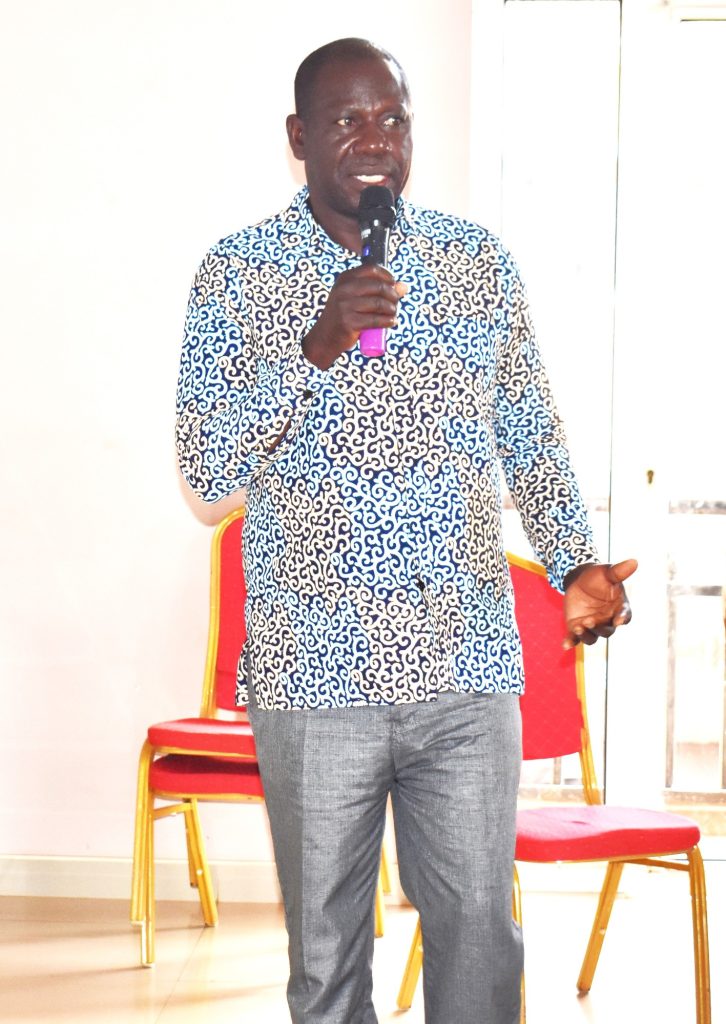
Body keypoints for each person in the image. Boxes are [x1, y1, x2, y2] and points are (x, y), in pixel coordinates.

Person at [176, 37, 636, 1024]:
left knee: (479, 930)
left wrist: (576, 560)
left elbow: (531, 429)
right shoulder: (236, 274)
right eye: (347, 119)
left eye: (393, 116)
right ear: (300, 138)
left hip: (464, 668)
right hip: (313, 676)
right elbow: (208, 473)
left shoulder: (476, 262)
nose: (375, 138)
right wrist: (315, 346)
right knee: (329, 954)